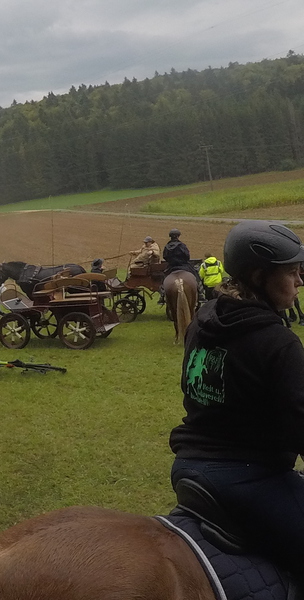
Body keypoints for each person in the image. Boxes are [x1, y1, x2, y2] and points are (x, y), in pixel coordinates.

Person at [169, 220, 304, 585]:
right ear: (259, 276)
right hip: (247, 479)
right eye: (291, 272)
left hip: (189, 466)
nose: (299, 281)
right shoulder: (278, 343)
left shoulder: (204, 319)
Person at [159, 229, 204, 305]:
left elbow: (165, 256)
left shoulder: (167, 246)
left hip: (172, 266)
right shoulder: (182, 245)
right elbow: (187, 256)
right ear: (178, 236)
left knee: (164, 277)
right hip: (183, 265)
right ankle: (200, 294)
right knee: (196, 274)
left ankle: (162, 295)